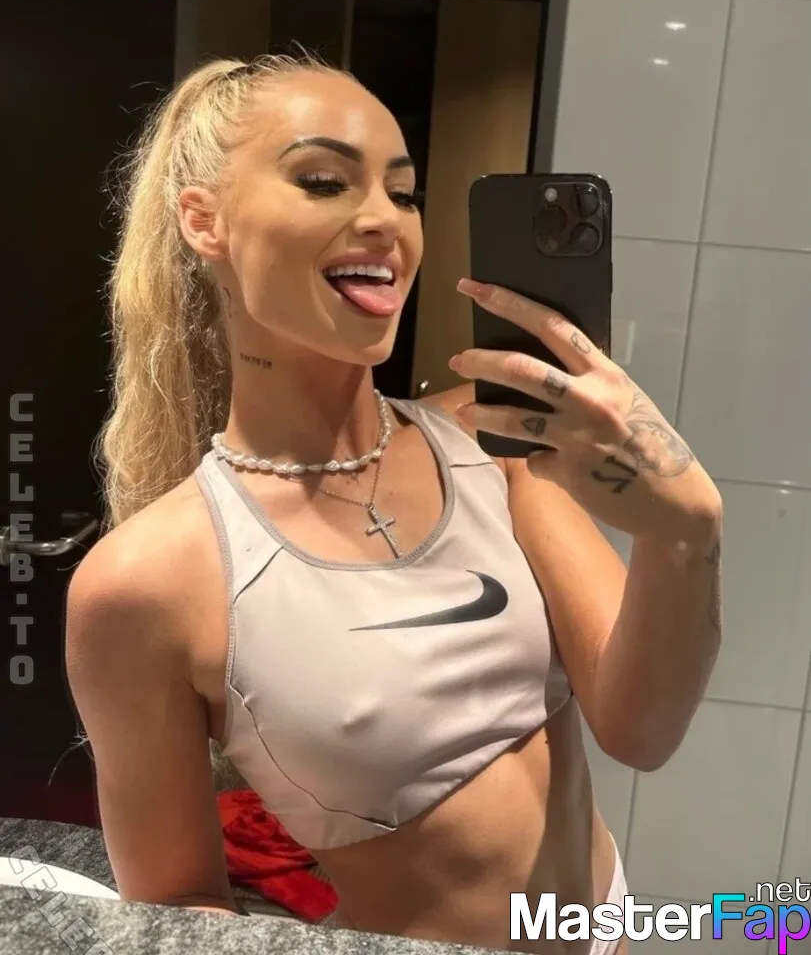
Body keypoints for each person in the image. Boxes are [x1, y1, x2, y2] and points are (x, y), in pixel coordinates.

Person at [65, 53, 723, 955]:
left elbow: (640, 728)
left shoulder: (495, 445)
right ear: (203, 219)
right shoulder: (148, 581)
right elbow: (178, 914)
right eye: (323, 181)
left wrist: (685, 532)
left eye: (404, 193)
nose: (383, 220)